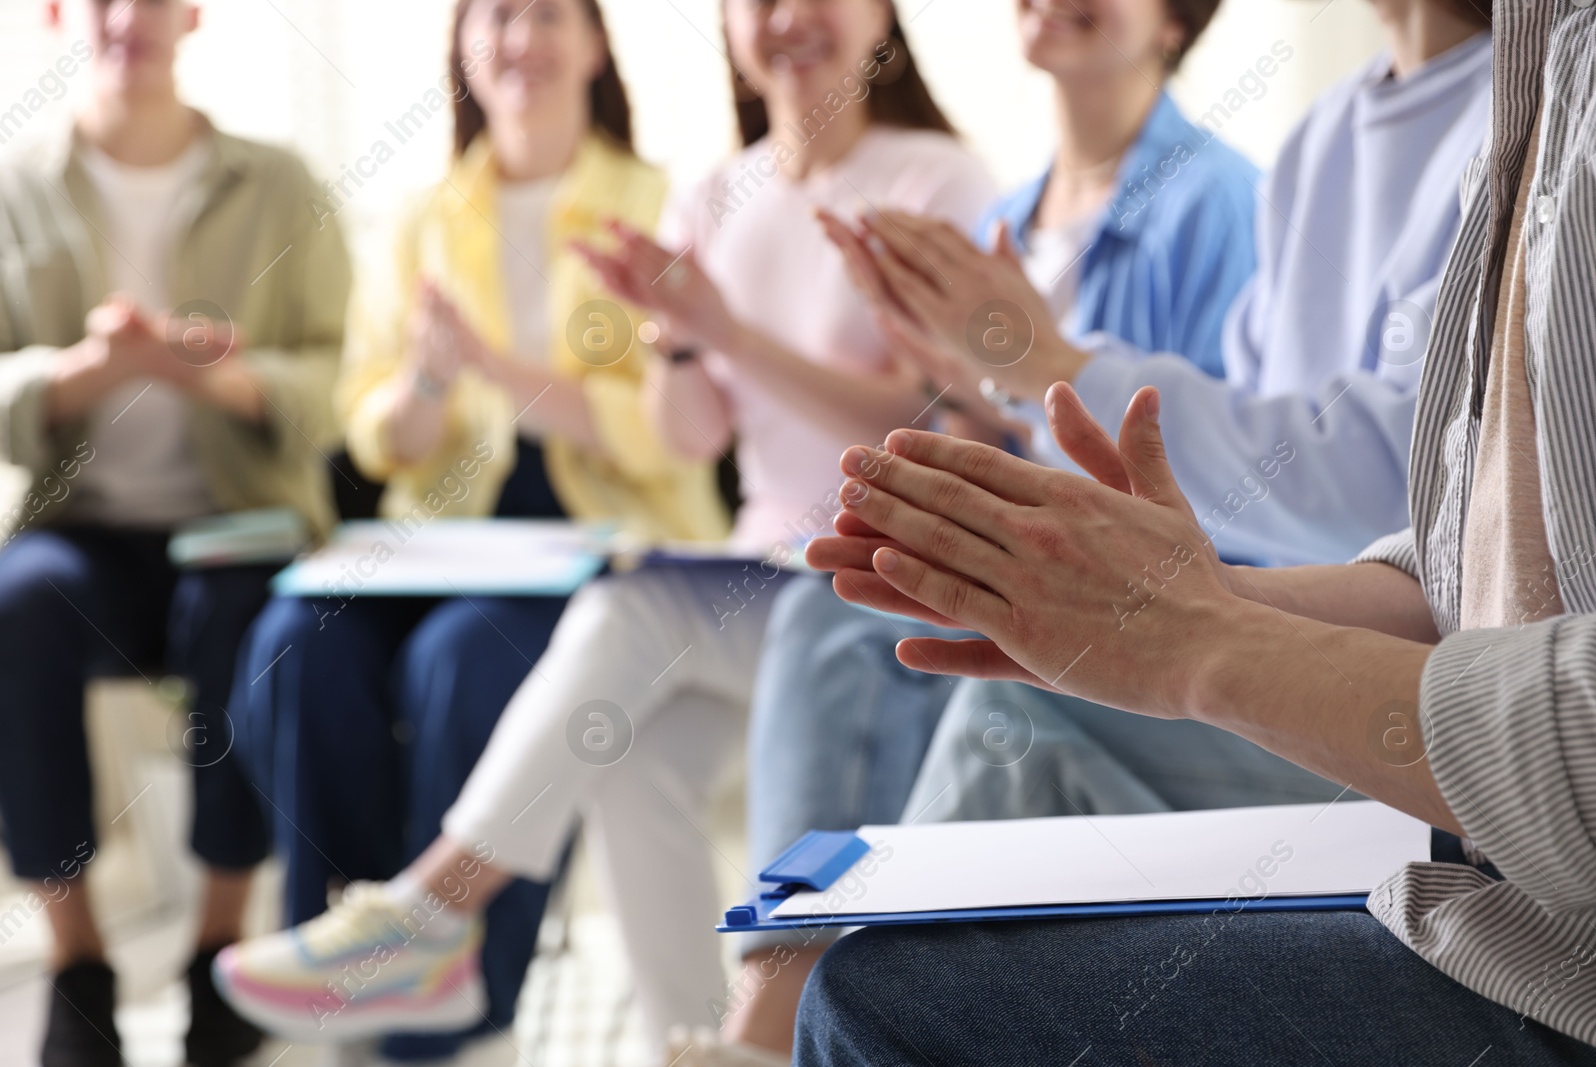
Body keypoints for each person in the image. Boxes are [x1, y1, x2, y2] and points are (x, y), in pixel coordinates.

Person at [797, 0, 1596, 1058]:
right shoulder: (1478, 96)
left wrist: (1191, 622)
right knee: (853, 629)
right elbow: (1472, 551)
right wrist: (1187, 598)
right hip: (1457, 771)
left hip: (1534, 910)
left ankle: (766, 1010)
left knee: (952, 867)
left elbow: (1356, 470)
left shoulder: (1228, 184)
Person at [213, 0, 995, 1054]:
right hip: (759, 568)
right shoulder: (722, 192)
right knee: (631, 753)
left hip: (880, 586)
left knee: (624, 616)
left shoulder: (934, 177)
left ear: (880, 21)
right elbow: (689, 432)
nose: (789, 17)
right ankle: (693, 1040)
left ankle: (428, 914)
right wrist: (679, 341)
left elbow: (920, 415)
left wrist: (723, 328)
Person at [717, 0, 1266, 1057]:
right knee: (830, 607)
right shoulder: (1009, 213)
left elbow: (1217, 468)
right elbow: (1010, 433)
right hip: (1041, 573)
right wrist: (944, 378)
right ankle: (782, 996)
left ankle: (785, 1013)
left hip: (1139, 600)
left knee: (858, 637)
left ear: (1175, 20)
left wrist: (1015, 374)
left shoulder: (1218, 202)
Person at [224, 0, 729, 1060]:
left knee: (461, 660)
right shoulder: (423, 218)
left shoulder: (657, 205)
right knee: (289, 651)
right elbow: (377, 435)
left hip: (606, 533)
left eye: (548, 14)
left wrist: (500, 375)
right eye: (494, 15)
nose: (520, 39)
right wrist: (426, 379)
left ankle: (459, 1003)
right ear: (461, 49)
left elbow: (671, 433)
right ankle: (354, 948)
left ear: (595, 45)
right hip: (442, 536)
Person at [0, 2, 351, 1066]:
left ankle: (213, 950)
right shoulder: (19, 183)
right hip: (89, 532)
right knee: (17, 604)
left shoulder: (280, 182)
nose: (127, 17)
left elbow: (326, 382)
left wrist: (221, 375)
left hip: (235, 522)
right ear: (61, 12)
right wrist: (83, 371)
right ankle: (79, 962)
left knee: (242, 612)